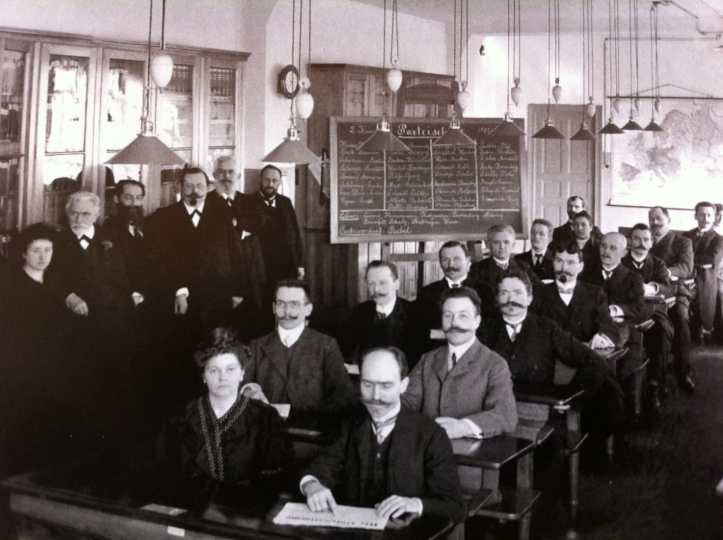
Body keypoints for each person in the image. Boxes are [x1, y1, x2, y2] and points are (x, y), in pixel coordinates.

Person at [299, 346, 466, 526]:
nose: (375, 396)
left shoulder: (431, 434)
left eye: (386, 386)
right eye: (367, 384)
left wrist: (415, 504)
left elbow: (455, 506)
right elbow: (322, 467)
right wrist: (312, 486)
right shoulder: (349, 424)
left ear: (404, 385)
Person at [478, 269, 624, 443]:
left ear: (529, 298)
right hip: (491, 410)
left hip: (538, 412)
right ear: (496, 299)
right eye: (504, 293)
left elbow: (593, 361)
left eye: (517, 293)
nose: (511, 299)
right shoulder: (482, 330)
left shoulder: (546, 328)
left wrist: (570, 395)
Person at [52, 191, 138, 445]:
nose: (79, 219)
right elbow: (50, 279)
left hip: (113, 321)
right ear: (67, 213)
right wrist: (68, 297)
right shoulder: (56, 242)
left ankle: (112, 436)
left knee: (113, 379)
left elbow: (131, 272)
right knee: (79, 381)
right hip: (74, 325)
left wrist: (135, 294)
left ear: (97, 214)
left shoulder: (112, 239)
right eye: (74, 213)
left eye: (85, 214)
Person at [157, 328, 293, 484]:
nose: (223, 377)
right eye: (214, 370)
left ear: (242, 373)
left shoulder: (265, 417)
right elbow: (166, 472)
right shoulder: (181, 417)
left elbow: (277, 474)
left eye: (230, 369)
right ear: (204, 376)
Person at [0, 223, 73, 477]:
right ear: (23, 253)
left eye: (48, 250)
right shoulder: (10, 285)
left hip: (52, 365)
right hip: (22, 366)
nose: (43, 257)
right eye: (36, 251)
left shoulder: (55, 282)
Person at [402, 286, 518, 439]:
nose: (454, 323)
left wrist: (463, 427)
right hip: (427, 446)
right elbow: (408, 402)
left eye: (463, 316)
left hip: (471, 451)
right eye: (448, 315)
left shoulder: (495, 364)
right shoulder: (427, 359)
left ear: (477, 321)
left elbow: (505, 414)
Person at [242, 279, 355, 419]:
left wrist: (304, 416)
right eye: (281, 304)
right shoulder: (257, 346)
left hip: (311, 429)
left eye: (294, 305)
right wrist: (248, 391)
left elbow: (343, 396)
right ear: (273, 308)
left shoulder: (326, 346)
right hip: (265, 428)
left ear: (308, 309)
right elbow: (242, 385)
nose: (287, 312)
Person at [622, 223, 675, 411]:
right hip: (627, 313)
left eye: (646, 239)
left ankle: (654, 384)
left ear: (652, 243)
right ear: (629, 241)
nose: (641, 243)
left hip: (653, 313)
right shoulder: (621, 262)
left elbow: (668, 289)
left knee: (661, 332)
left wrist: (652, 287)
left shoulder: (658, 264)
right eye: (637, 239)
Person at [209, 156, 267, 323]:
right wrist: (241, 229)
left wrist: (236, 225)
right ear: (214, 175)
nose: (226, 176)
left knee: (250, 323)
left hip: (250, 275)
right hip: (220, 277)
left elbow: (259, 224)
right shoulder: (207, 203)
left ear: (239, 176)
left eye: (231, 172)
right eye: (221, 172)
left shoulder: (251, 202)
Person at [416, 241, 496, 353]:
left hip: (476, 354)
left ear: (467, 261)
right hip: (438, 355)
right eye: (445, 260)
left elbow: (490, 329)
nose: (451, 264)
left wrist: (441, 334)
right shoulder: (427, 293)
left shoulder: (484, 290)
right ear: (440, 262)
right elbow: (420, 332)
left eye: (456, 259)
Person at [648, 205, 695, 393]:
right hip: (651, 292)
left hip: (677, 291)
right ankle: (655, 378)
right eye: (651, 218)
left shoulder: (682, 242)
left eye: (658, 218)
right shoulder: (645, 240)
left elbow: (685, 268)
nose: (655, 222)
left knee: (681, 318)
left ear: (669, 220)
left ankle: (684, 372)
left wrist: (664, 272)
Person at [340, 260, 421, 368]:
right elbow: (348, 353)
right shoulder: (358, 312)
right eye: (371, 284)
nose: (376, 289)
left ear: (396, 284)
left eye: (382, 283)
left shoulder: (415, 314)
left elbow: (417, 361)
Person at [247, 164, 304, 297]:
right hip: (260, 267)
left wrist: (300, 265)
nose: (270, 184)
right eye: (267, 180)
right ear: (260, 180)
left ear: (279, 182)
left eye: (274, 180)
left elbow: (295, 234)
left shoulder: (286, 202)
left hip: (286, 265)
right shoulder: (248, 202)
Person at [683, 201, 723, 344]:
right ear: (695, 216)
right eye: (702, 215)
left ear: (714, 217)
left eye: (709, 215)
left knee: (707, 294)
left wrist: (688, 259)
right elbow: (679, 257)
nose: (706, 219)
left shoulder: (719, 239)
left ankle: (705, 329)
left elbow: (711, 259)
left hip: (706, 278)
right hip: (685, 276)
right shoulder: (686, 236)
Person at [469, 224, 540, 291]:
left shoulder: (523, 267)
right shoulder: (477, 269)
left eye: (506, 242)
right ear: (488, 245)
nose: (502, 247)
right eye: (496, 242)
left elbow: (539, 289)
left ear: (513, 245)